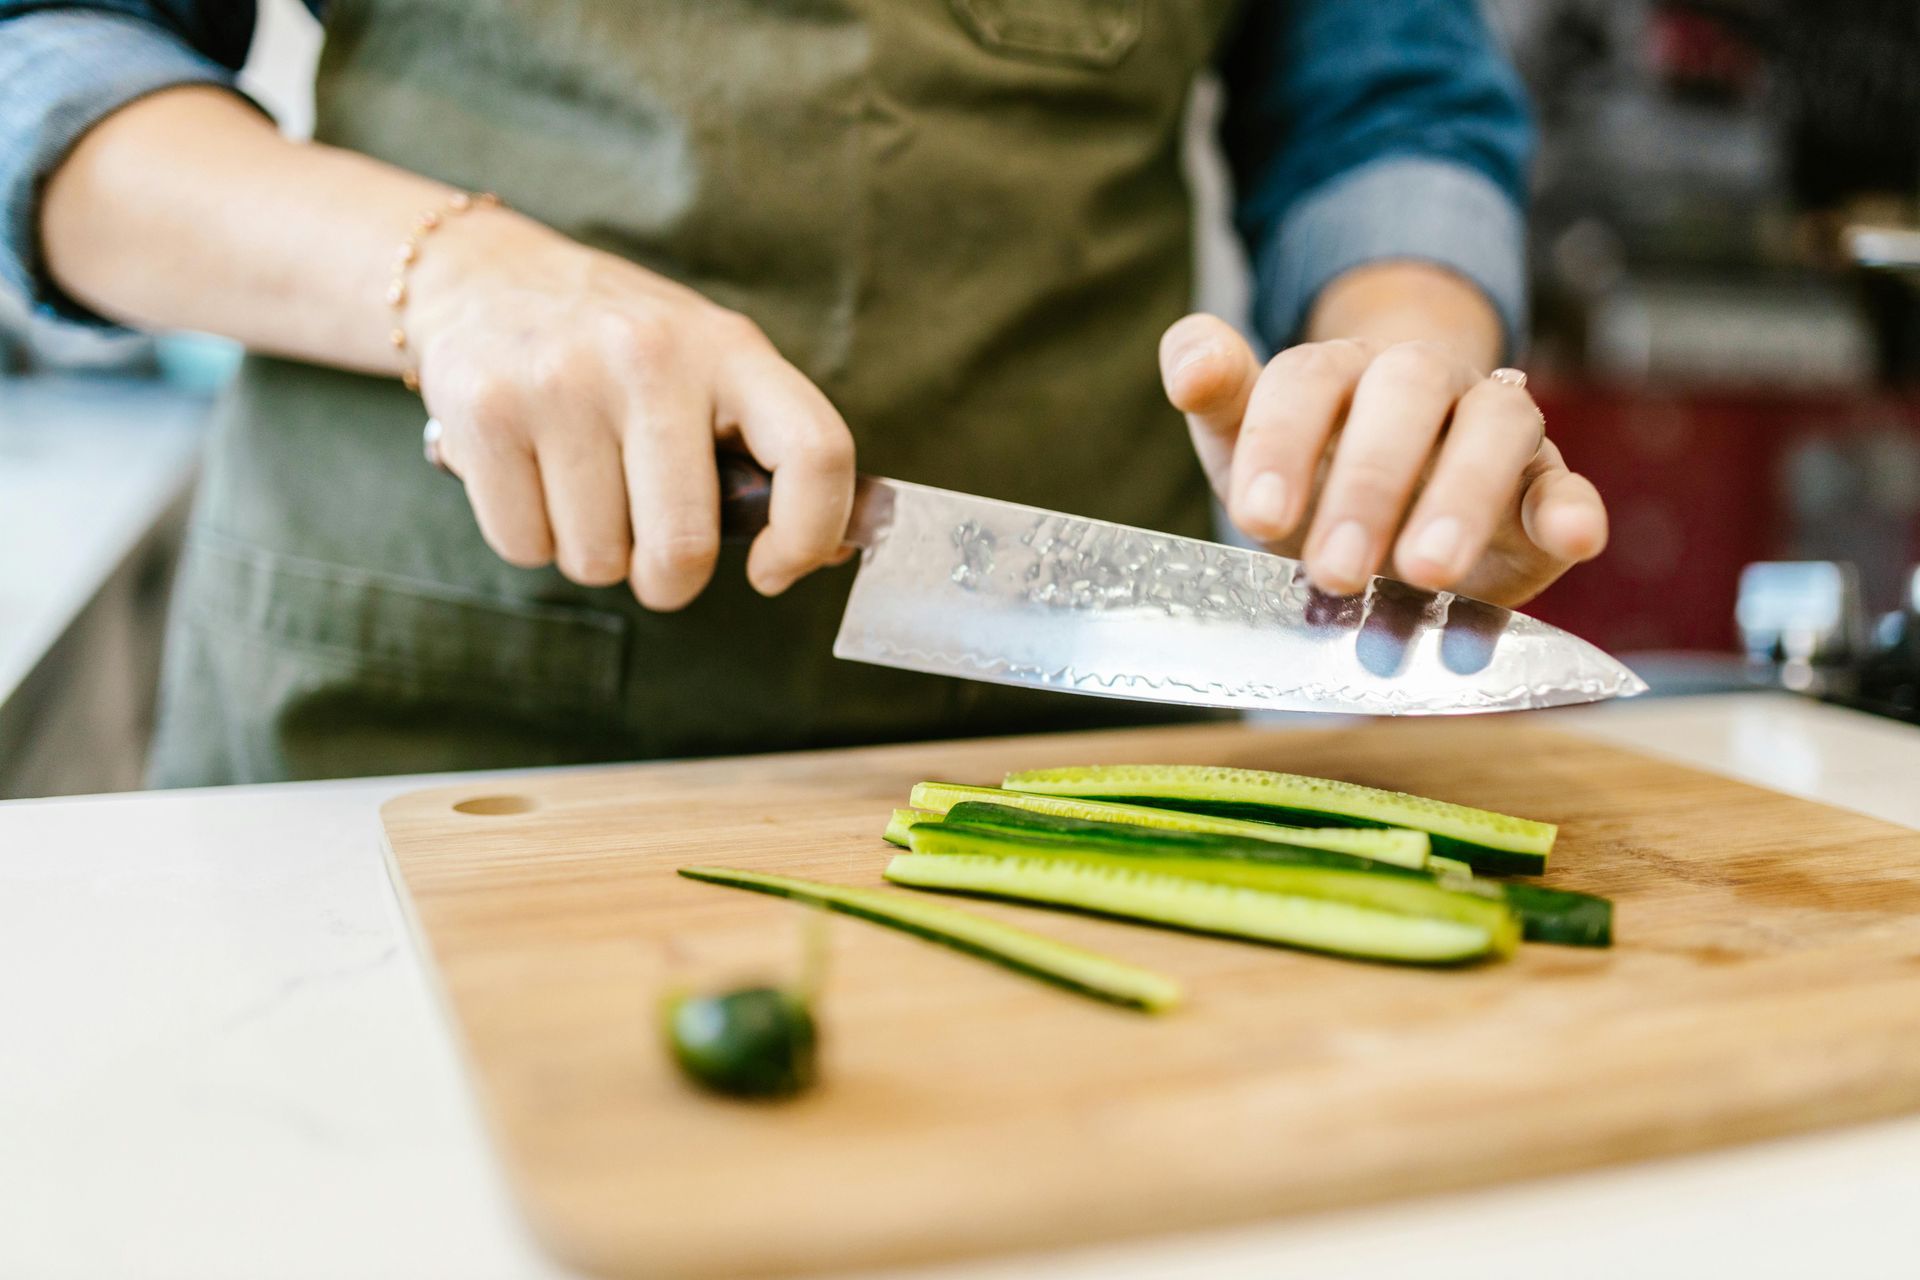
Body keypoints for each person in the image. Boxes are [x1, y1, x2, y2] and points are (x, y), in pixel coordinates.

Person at [0, 0, 1607, 785]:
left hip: (1066, 745)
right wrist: (447, 270)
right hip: (396, 742)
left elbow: (1383, 97)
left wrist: (1410, 379)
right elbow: (43, 54)